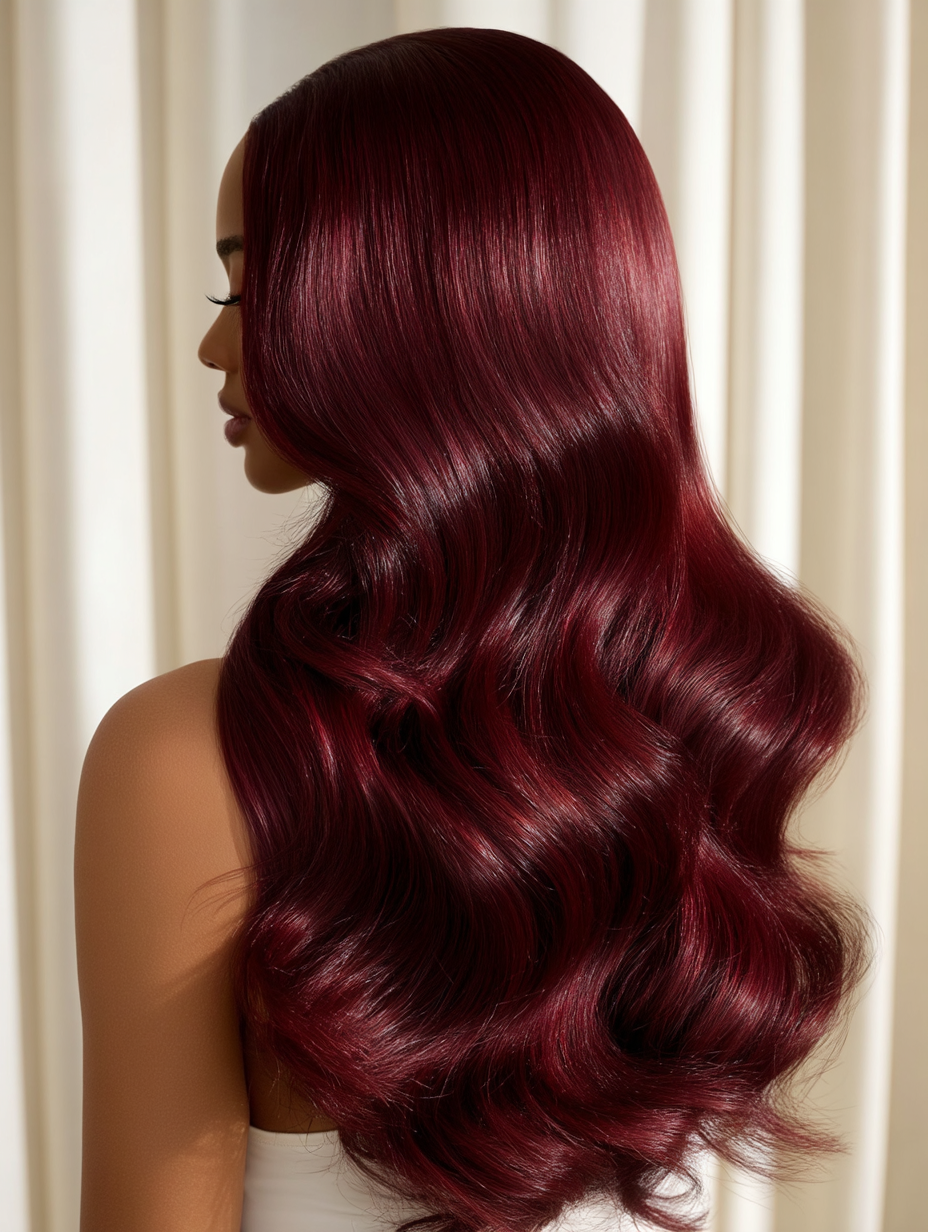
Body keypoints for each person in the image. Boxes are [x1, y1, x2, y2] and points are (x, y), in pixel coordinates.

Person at [74, 28, 866, 1232]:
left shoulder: (191, 758)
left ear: (404, 314)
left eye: (246, 288)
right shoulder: (701, 716)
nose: (211, 343)